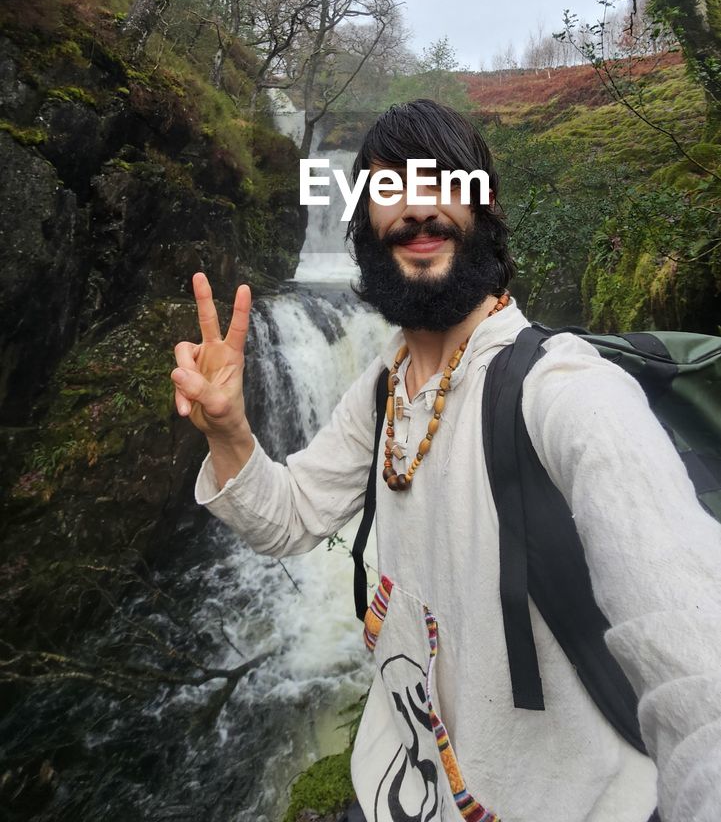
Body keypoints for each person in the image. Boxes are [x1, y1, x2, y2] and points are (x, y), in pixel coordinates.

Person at [171, 99, 721, 822]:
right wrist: (229, 432)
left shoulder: (567, 390)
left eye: (442, 184)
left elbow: (692, 649)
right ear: (363, 225)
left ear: (482, 209)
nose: (417, 210)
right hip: (403, 781)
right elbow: (292, 518)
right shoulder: (384, 386)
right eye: (388, 189)